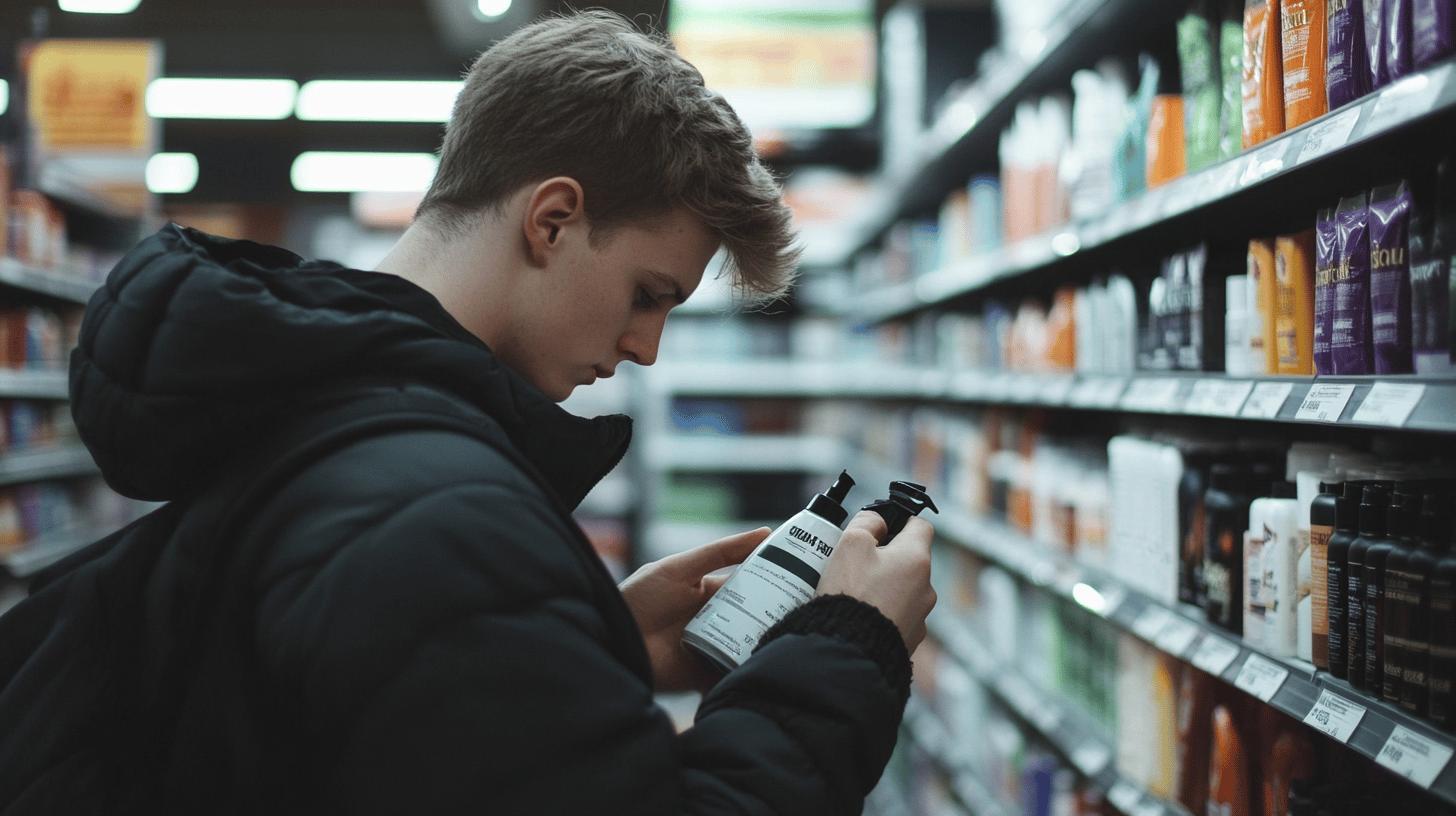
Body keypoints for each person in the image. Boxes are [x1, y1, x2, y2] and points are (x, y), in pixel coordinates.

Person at [0, 10, 936, 814]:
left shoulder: (319, 409)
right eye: (649, 294)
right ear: (553, 219)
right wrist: (847, 650)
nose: (645, 347)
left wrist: (587, 643)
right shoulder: (441, 512)